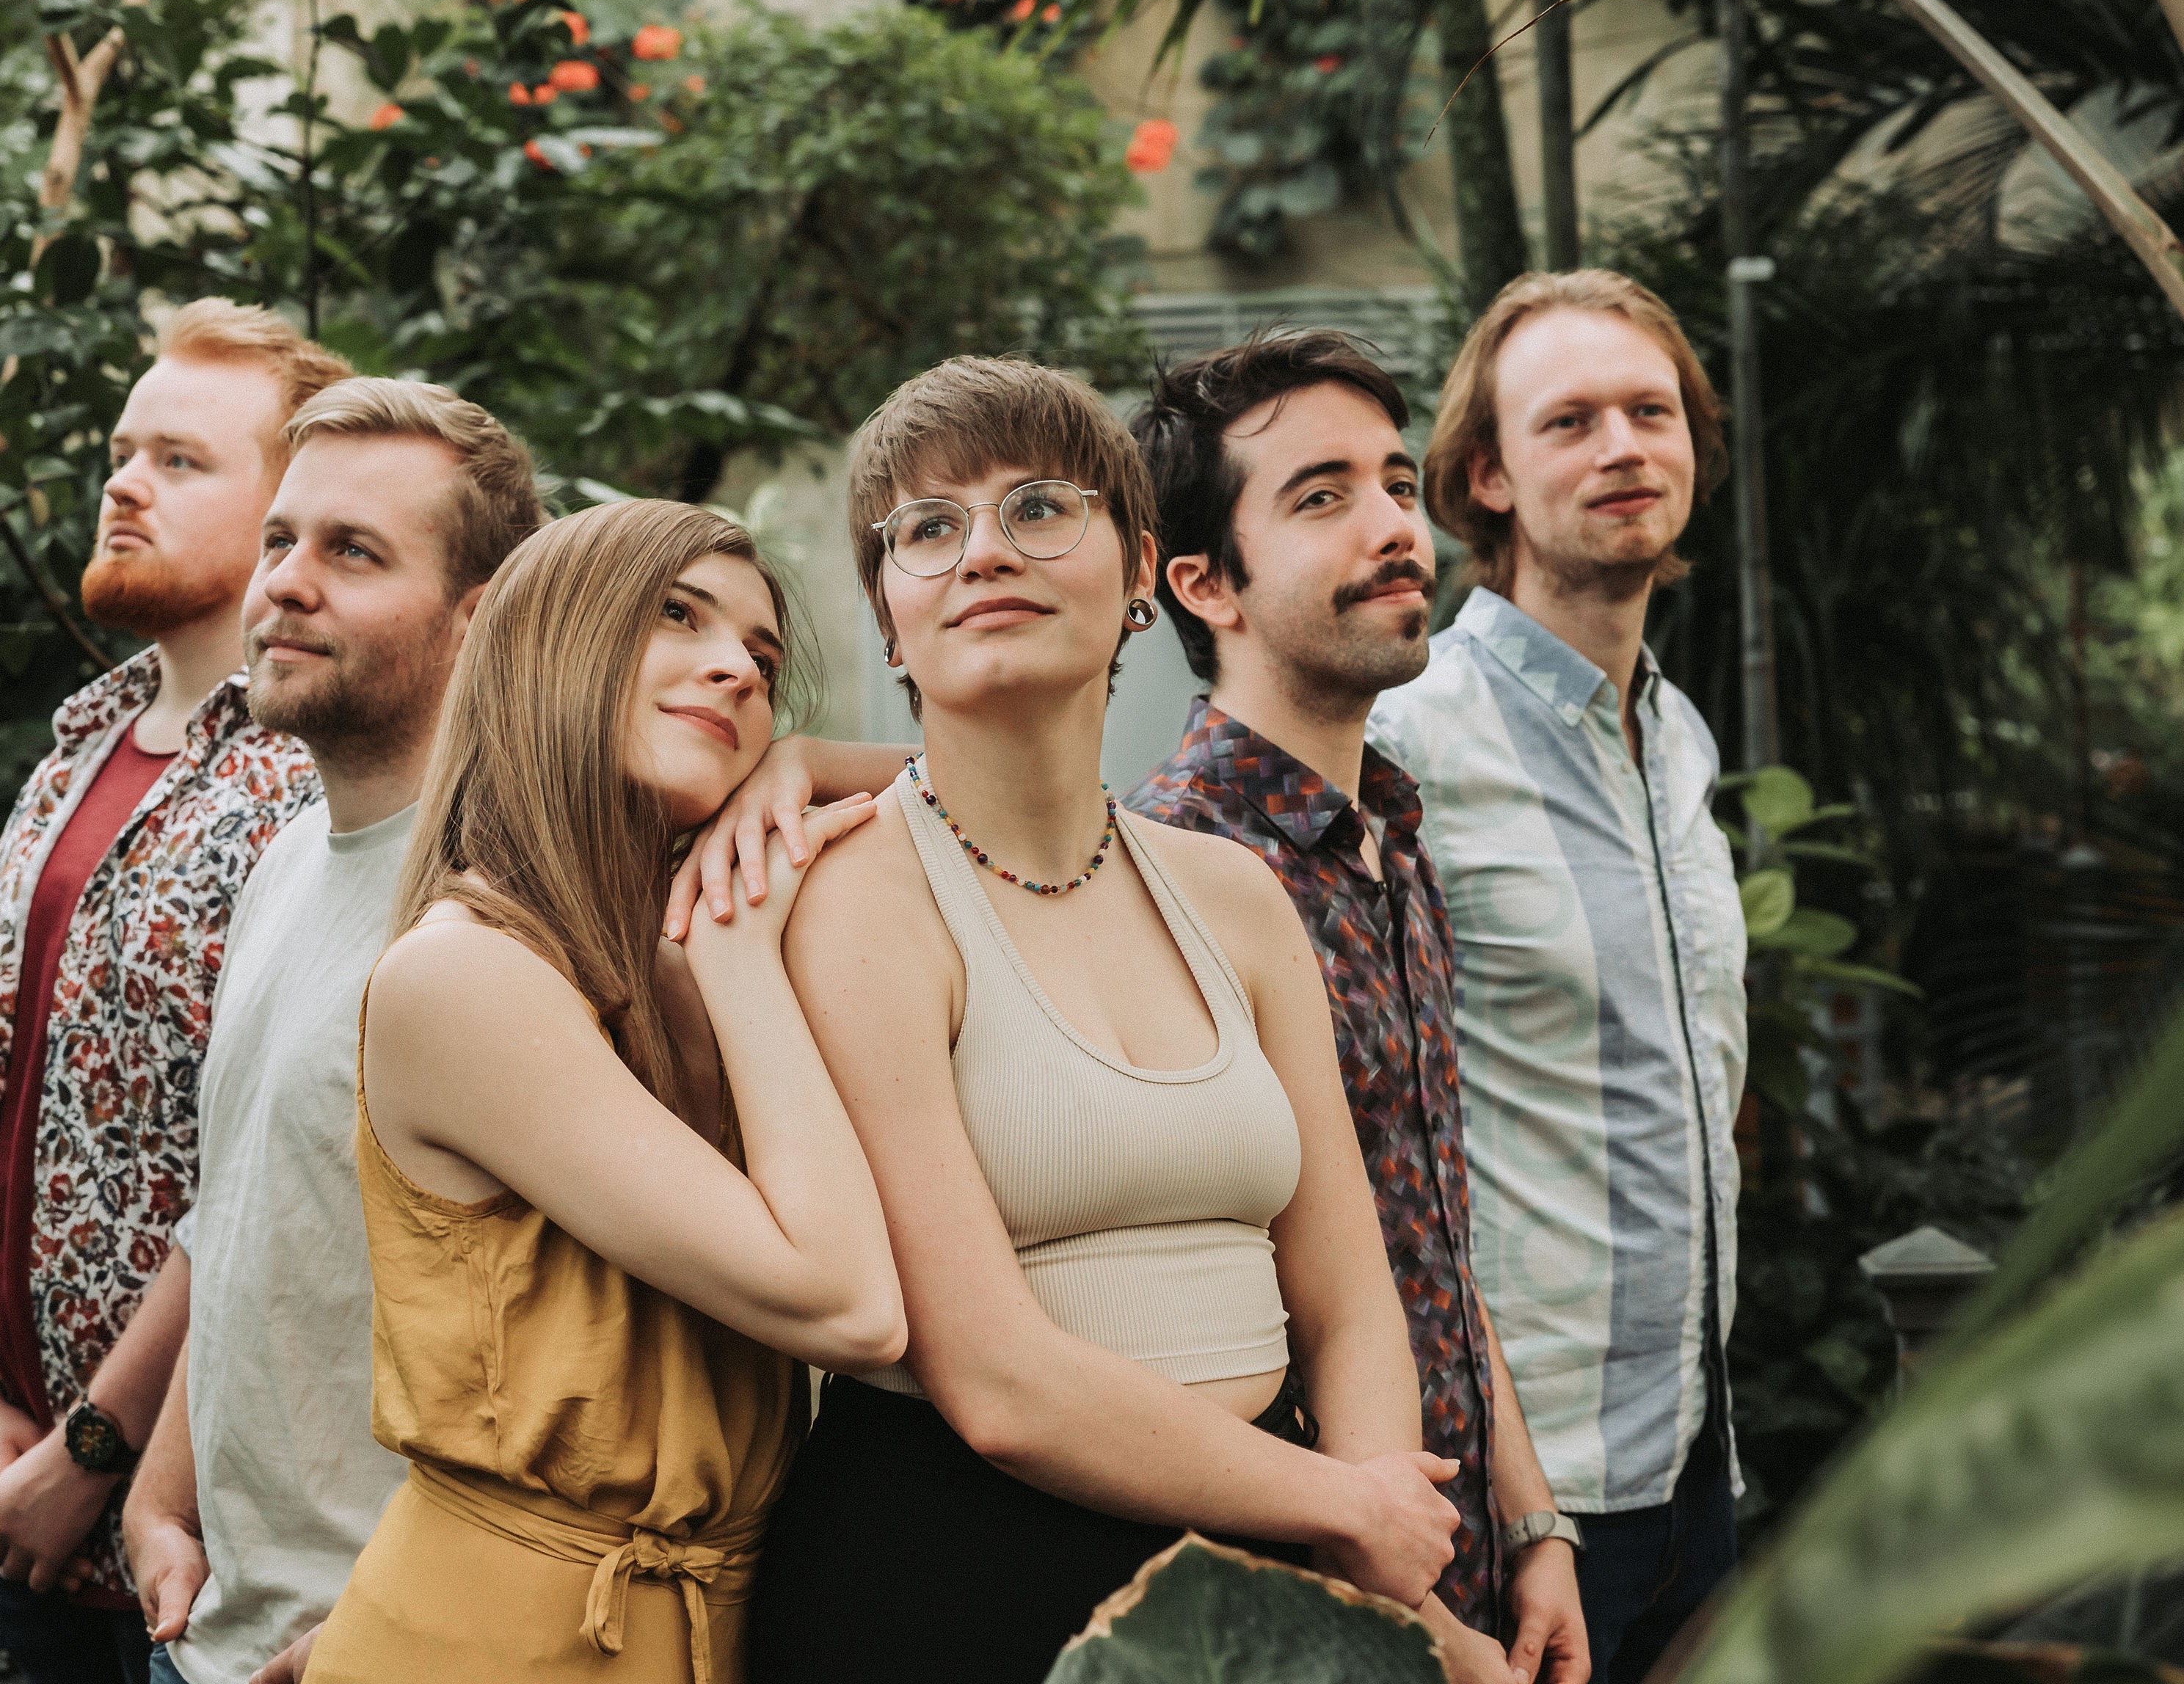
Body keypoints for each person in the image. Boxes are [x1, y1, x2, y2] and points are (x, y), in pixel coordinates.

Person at [744, 357, 1463, 1684]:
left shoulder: (1233, 894)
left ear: (1140, 570)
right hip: (960, 1577)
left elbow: (1352, 1302)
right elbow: (996, 1383)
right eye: (928, 528)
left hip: (1262, 1560)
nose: (984, 553)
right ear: (889, 617)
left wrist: (1381, 1586)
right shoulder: (856, 902)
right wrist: (1343, 1504)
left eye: (1038, 507)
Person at [299, 497, 905, 1684]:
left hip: (710, 1622)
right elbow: (850, 1309)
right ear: (546, 650)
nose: (738, 668)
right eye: (678, 614)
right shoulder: (470, 974)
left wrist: (806, 762)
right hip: (505, 1646)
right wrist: (741, 961)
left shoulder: (639, 963)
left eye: (764, 656)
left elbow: (1040, 805)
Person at [1126, 331, 1592, 1684]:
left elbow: (1428, 1218)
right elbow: (1213, 1322)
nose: (1394, 527)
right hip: (1318, 1610)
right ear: (1204, 583)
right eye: (1321, 498)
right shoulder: (1174, 870)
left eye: (1394, 483)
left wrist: (1532, 1519)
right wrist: (1415, 1625)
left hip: (1468, 1568)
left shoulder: (1388, 832)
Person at [0, 302, 350, 1683]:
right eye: (121, 452)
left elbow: (261, 1172)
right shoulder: (75, 752)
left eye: (179, 460)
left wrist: (90, 1453)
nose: (123, 484)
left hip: (198, 1533)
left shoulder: (309, 785)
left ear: (290, 519)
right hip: (19, 1507)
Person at [114, 379, 547, 1684]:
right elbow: (251, 1207)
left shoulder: (519, 910)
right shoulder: (289, 856)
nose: (284, 584)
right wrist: (159, 1496)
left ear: (478, 618)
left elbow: (579, 1345)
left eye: (352, 552)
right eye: (281, 540)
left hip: (389, 1650)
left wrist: (398, 1619)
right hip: (205, 1633)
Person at [1365, 270, 1747, 1684]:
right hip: (1516, 1492)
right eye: (1571, 422)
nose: (1624, 448)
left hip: (1695, 1453)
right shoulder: (1405, 731)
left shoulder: (1679, 734)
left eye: (1652, 412)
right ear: (1488, 477)